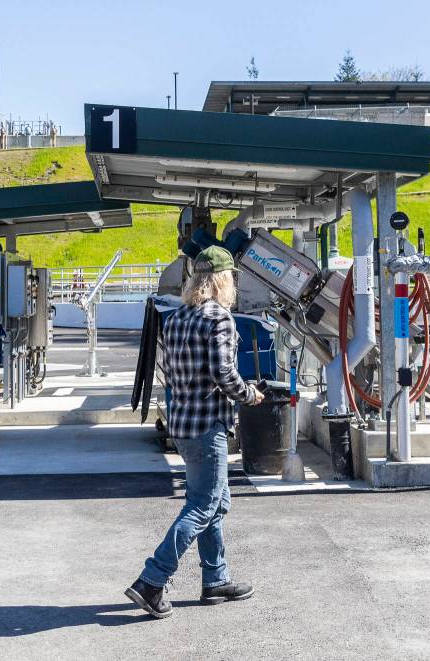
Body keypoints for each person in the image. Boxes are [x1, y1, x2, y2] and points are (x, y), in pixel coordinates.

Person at [125, 245, 264, 619]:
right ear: (223, 281)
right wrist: (250, 394)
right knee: (203, 505)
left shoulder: (177, 318)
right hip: (208, 427)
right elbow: (223, 372)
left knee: (215, 503)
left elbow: (170, 373)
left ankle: (216, 579)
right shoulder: (218, 318)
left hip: (183, 425)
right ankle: (151, 581)